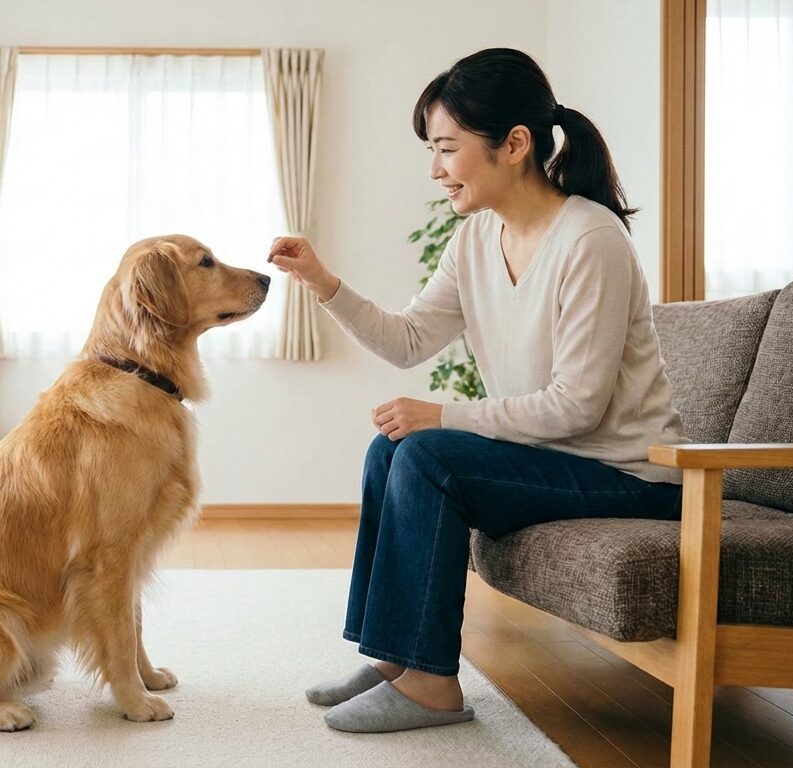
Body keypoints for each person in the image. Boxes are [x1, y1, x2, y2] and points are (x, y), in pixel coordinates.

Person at [267, 48, 686, 734]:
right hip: (557, 461)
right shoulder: (473, 242)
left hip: (631, 476)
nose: (436, 169)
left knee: (427, 453)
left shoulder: (591, 239)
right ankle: (394, 658)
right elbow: (407, 340)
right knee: (390, 450)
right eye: (433, 151)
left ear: (514, 144)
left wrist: (442, 414)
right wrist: (322, 281)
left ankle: (432, 685)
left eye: (447, 148)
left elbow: (579, 404)